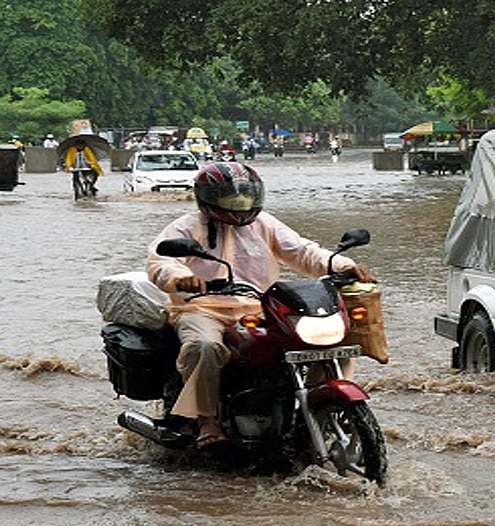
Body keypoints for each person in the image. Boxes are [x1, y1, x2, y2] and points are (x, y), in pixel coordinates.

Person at [146, 162, 374, 448]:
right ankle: (207, 421)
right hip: (202, 308)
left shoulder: (264, 224)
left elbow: (303, 251)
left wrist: (342, 265)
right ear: (208, 198)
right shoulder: (186, 227)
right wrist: (181, 278)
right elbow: (161, 262)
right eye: (231, 198)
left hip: (260, 307)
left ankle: (317, 407)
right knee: (203, 346)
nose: (240, 205)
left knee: (332, 341)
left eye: (245, 197)